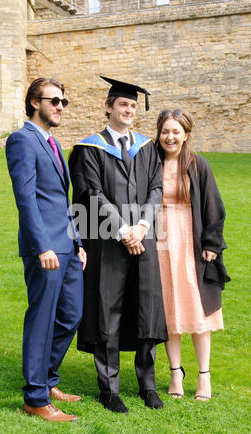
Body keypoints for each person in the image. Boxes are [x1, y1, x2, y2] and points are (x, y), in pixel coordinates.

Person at [68, 76, 168, 414]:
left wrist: (141, 226)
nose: (129, 110)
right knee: (106, 310)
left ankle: (148, 384)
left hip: (144, 238)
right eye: (123, 104)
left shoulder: (147, 147)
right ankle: (109, 389)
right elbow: (89, 194)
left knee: (146, 310)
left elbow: (156, 189)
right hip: (107, 243)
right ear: (108, 107)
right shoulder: (89, 149)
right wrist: (123, 229)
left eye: (133, 106)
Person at [6, 78, 86, 422]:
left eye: (63, 102)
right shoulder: (22, 140)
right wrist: (42, 247)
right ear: (34, 102)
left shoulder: (52, 142)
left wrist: (78, 243)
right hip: (46, 250)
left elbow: (61, 200)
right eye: (54, 100)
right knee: (42, 320)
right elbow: (26, 199)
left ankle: (48, 379)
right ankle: (36, 398)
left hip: (67, 246)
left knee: (71, 315)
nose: (60, 107)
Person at [155, 109, 230, 401]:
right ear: (158, 133)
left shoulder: (198, 165)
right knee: (169, 309)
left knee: (197, 309)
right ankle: (175, 373)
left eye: (175, 131)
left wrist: (211, 243)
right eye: (165, 131)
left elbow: (214, 206)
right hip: (160, 244)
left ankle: (204, 376)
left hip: (190, 241)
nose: (170, 137)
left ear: (186, 134)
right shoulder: (152, 163)